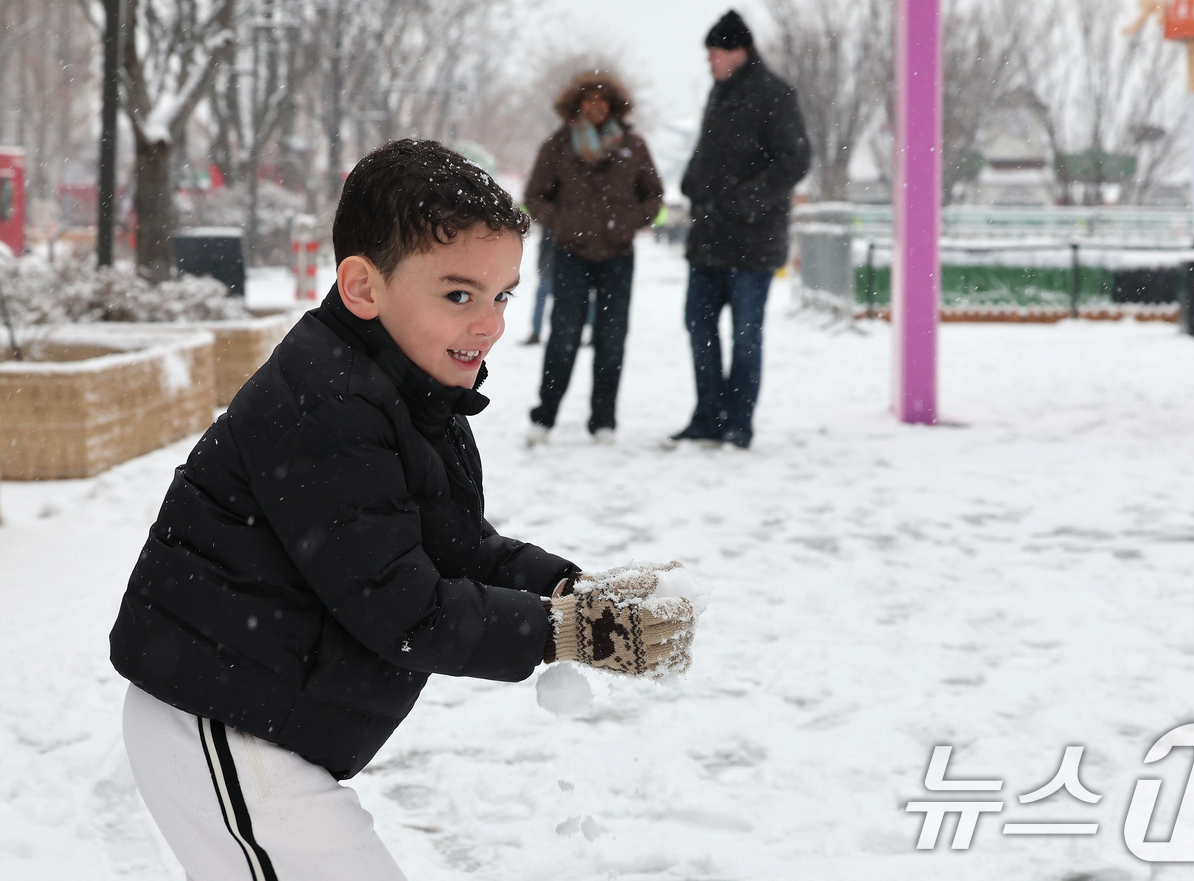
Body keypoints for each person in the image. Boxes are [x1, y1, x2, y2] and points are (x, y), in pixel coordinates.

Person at [108, 139, 693, 880]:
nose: (491, 324)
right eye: (459, 295)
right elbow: (404, 609)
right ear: (363, 287)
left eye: (502, 294)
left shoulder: (403, 391)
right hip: (218, 725)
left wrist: (570, 593)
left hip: (256, 715)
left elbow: (456, 546)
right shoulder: (328, 405)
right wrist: (565, 633)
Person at [671, 10, 811, 450]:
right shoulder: (720, 92)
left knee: (746, 337)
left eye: (714, 52)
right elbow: (709, 152)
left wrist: (743, 203)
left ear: (738, 51)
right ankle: (707, 417)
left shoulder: (775, 94)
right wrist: (691, 182)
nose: (710, 61)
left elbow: (795, 160)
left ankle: (738, 424)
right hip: (707, 240)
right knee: (699, 327)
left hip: (753, 242)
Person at [524, 72, 663, 446]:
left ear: (614, 106)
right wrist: (562, 223)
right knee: (563, 336)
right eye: (589, 101)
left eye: (603, 101)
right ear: (576, 106)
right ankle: (544, 416)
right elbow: (535, 196)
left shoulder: (633, 145)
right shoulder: (558, 146)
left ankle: (604, 421)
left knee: (612, 339)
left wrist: (630, 222)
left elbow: (654, 195)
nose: (596, 107)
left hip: (619, 255)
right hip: (571, 253)